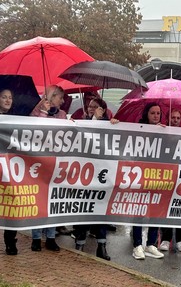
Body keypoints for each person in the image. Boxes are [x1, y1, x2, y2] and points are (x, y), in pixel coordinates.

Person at [73, 96, 119, 261]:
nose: (91, 109)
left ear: (103, 109)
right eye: (90, 106)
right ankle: (80, 243)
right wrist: (93, 119)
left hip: (102, 176)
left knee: (101, 212)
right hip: (85, 176)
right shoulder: (82, 122)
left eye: (95, 106)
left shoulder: (109, 123)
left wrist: (110, 121)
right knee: (83, 211)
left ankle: (101, 246)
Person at [30, 85, 67, 252]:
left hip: (56, 164)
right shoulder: (35, 113)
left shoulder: (62, 115)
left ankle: (51, 237)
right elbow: (35, 132)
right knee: (39, 200)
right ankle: (36, 237)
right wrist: (43, 113)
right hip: (38, 163)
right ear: (52, 97)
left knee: (53, 201)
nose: (63, 100)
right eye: (60, 97)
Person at [132, 102, 164, 260]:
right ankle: (137, 245)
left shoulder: (165, 130)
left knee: (155, 211)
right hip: (141, 175)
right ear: (146, 114)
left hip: (157, 176)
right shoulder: (138, 129)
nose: (156, 116)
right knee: (138, 211)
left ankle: (151, 244)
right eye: (153, 113)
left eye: (158, 113)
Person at [159, 109, 181, 252]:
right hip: (167, 175)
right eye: (173, 117)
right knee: (166, 207)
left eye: (178, 117)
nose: (175, 120)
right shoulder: (161, 131)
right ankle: (166, 238)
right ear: (168, 118)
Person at [0, 88, 18, 255]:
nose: (7, 100)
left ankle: (10, 242)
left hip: (10, 168)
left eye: (10, 97)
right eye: (4, 97)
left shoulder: (18, 117)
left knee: (11, 204)